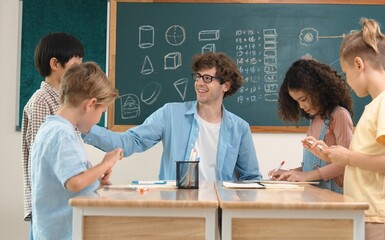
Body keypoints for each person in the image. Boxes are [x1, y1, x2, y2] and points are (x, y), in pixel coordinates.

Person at [83, 52, 262, 181]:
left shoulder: (240, 128)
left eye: (207, 79)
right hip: (178, 207)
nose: (199, 83)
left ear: (226, 85)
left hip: (220, 209)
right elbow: (131, 142)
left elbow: (251, 178)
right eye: (198, 77)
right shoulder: (170, 113)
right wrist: (85, 129)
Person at [321, 18, 385, 240]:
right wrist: (336, 156)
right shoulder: (378, 105)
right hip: (368, 215)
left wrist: (349, 157)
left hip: (377, 218)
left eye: (346, 72)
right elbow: (371, 156)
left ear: (359, 64)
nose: (347, 80)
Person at [31, 62, 123, 240]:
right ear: (91, 104)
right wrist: (105, 164)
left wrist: (96, 181)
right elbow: (74, 183)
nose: (98, 119)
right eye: (102, 111)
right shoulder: (62, 134)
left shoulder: (50, 128)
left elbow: (66, 180)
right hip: (64, 233)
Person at [21, 32, 84, 239]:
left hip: (63, 204)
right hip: (48, 208)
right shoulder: (41, 102)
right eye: (75, 65)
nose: (80, 71)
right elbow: (44, 159)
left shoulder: (64, 101)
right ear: (55, 64)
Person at [268, 59, 354, 194]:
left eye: (303, 99)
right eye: (296, 102)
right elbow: (315, 167)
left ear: (318, 91)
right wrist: (291, 173)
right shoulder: (314, 120)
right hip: (315, 196)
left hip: (334, 198)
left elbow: (346, 163)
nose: (301, 107)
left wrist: (306, 176)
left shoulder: (339, 115)